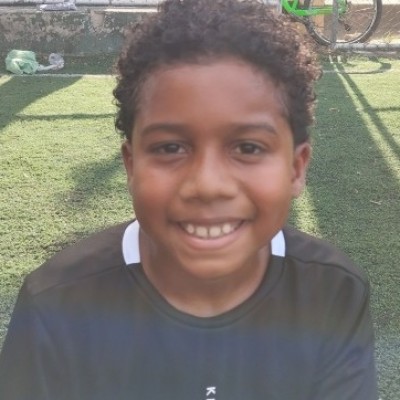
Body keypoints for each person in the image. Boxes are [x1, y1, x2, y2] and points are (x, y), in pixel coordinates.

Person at [0, 0, 377, 399]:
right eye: (170, 148)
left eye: (248, 147)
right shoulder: (56, 306)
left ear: (296, 168)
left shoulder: (333, 292)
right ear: (131, 165)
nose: (207, 185)